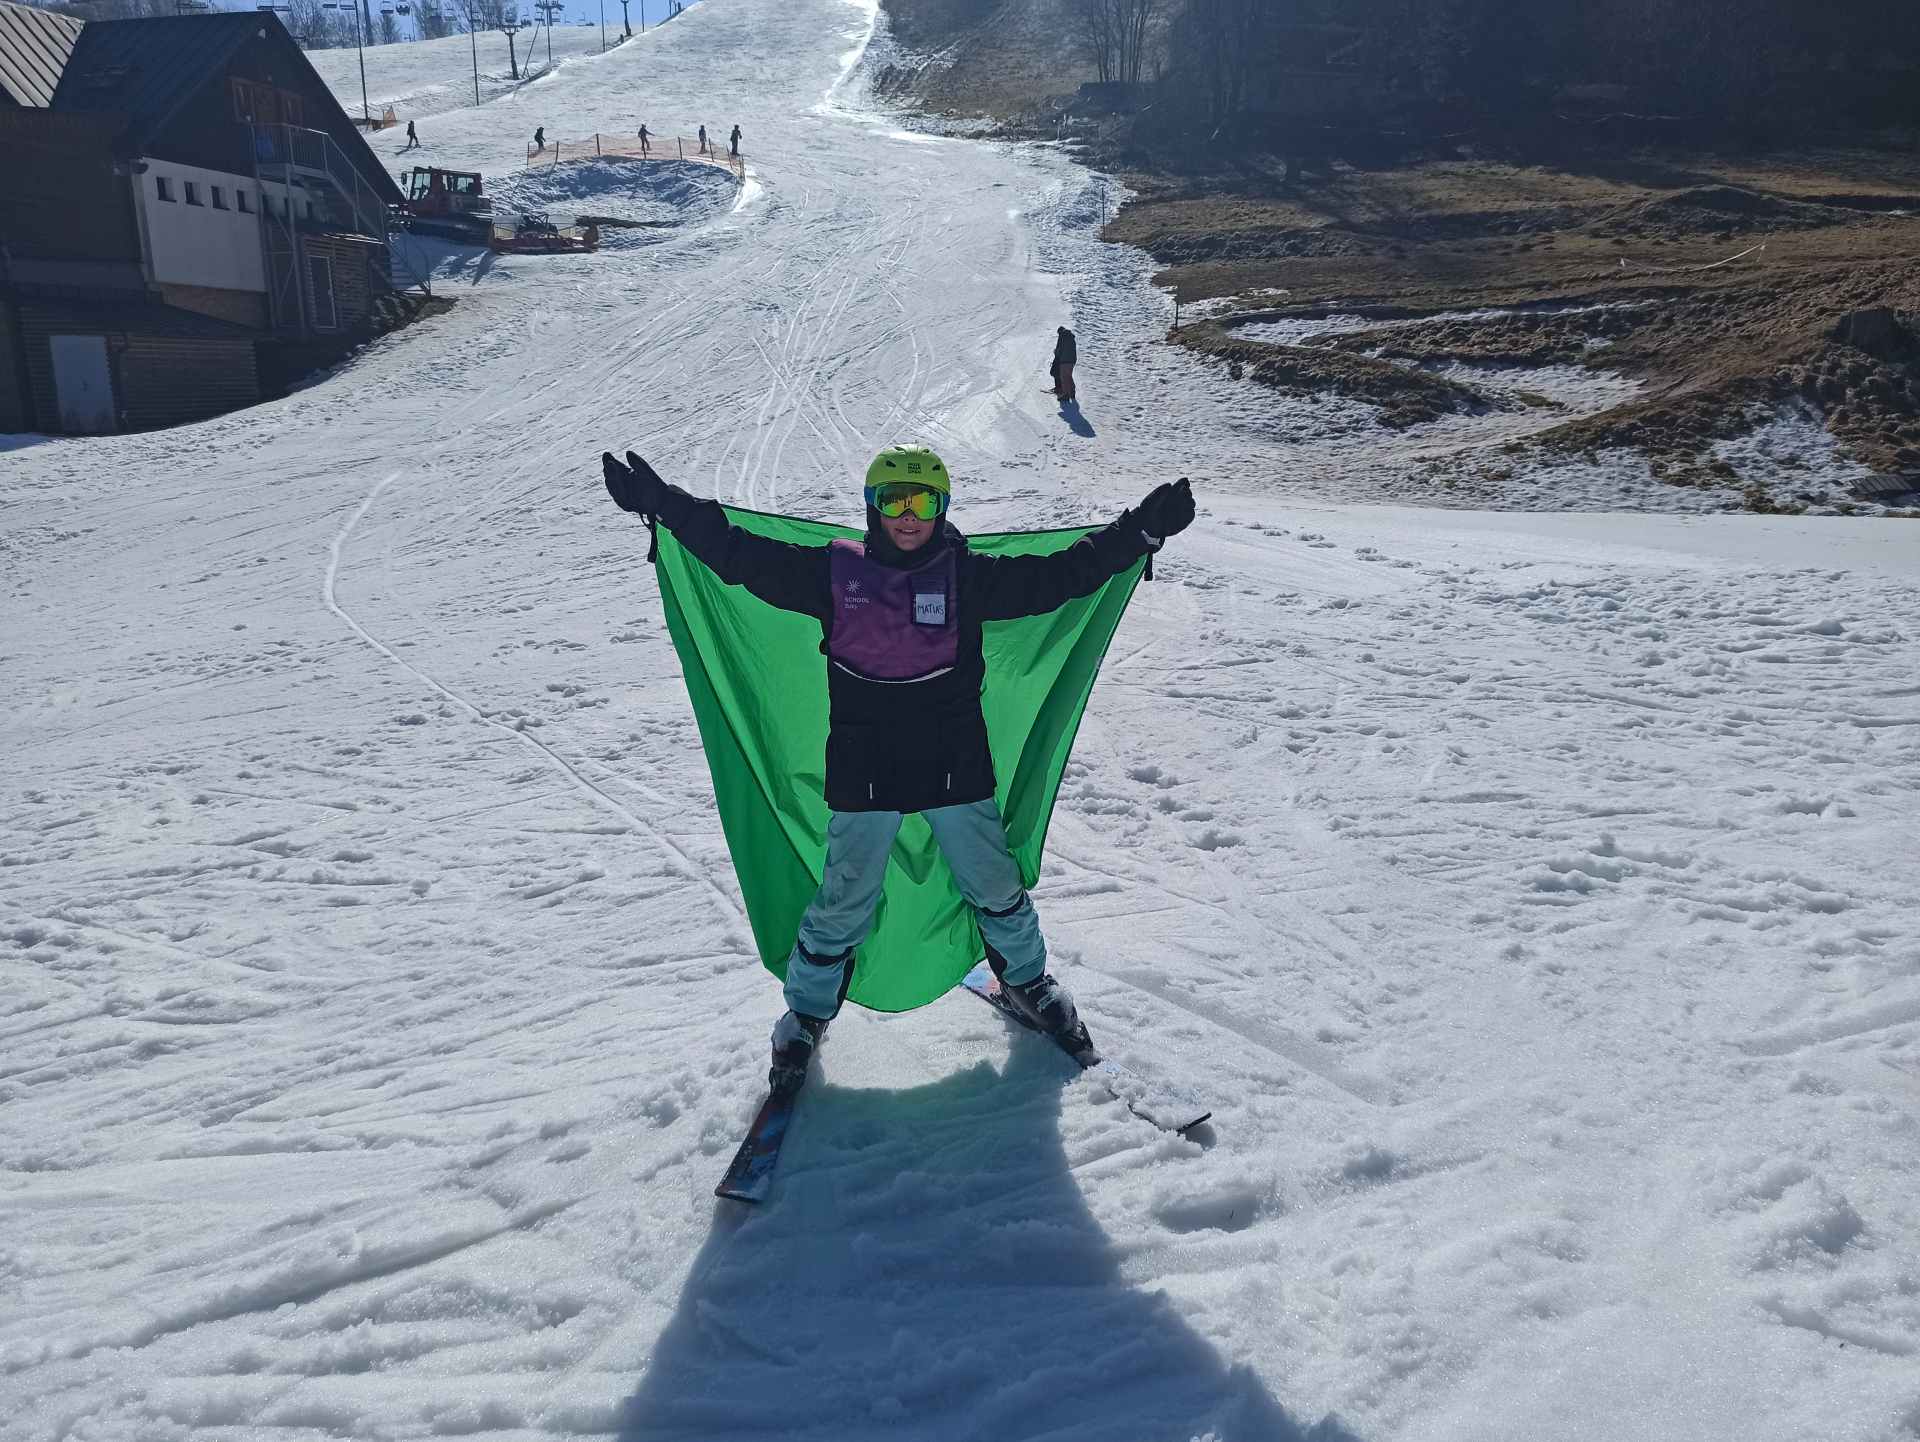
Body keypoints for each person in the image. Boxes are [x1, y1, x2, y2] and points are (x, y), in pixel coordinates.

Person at [601, 445, 1196, 1097]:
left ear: (942, 507)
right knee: (844, 899)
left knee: (994, 884)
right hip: (866, 770)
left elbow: (1060, 575)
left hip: (953, 766)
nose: (908, 515)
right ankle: (805, 1015)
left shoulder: (966, 576)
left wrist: (1139, 530)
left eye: (923, 501)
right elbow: (743, 554)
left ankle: (1028, 983)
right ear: (872, 505)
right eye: (894, 499)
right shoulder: (835, 573)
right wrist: (666, 507)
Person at [1049, 326, 1077, 401]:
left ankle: (1066, 395)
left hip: (1065, 361)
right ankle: (1072, 393)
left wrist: (1056, 352)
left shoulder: (1062, 337)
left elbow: (1058, 350)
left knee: (1064, 378)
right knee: (1069, 377)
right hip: (1072, 360)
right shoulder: (1071, 337)